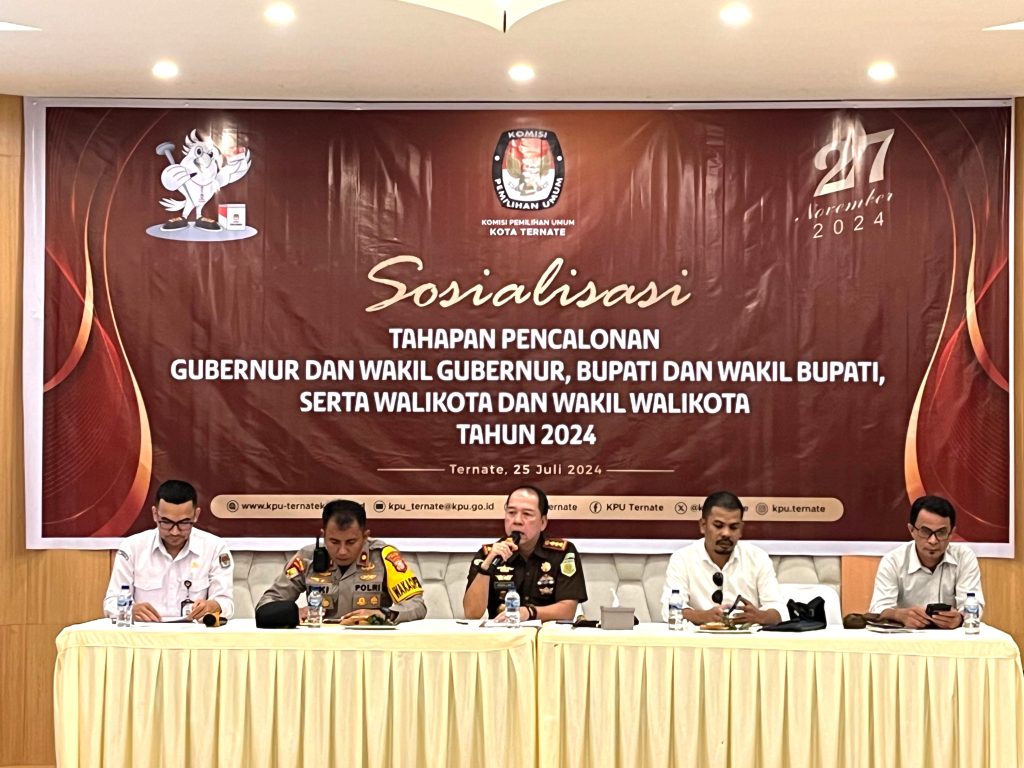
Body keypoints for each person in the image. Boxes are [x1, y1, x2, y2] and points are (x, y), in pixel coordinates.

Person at [257, 499, 427, 623]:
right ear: (324, 535)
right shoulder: (307, 558)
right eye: (334, 542)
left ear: (365, 536)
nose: (342, 551)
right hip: (320, 645)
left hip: (370, 644)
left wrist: (385, 614)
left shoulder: (384, 557)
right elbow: (267, 603)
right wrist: (294, 614)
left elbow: (417, 605)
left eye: (351, 542)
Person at [103, 479, 234, 622]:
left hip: (194, 632)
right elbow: (111, 602)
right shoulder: (132, 547)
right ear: (155, 514)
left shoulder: (214, 548)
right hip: (145, 632)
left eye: (184, 523)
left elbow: (226, 603)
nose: (174, 532)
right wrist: (130, 610)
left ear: (196, 515)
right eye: (166, 522)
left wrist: (214, 606)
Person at [463, 485, 587, 621]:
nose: (517, 521)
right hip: (503, 632)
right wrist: (486, 567)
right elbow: (472, 613)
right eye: (511, 513)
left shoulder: (563, 553)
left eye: (527, 514)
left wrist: (529, 613)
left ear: (543, 522)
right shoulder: (488, 555)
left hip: (546, 632)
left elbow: (567, 610)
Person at [660, 491, 783, 626]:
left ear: (741, 529)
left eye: (733, 527)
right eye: (718, 526)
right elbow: (669, 610)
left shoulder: (758, 557)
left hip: (747, 636)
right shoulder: (682, 558)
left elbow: (779, 610)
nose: (726, 533)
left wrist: (760, 617)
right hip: (699, 636)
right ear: (703, 525)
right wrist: (703, 616)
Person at [869, 495, 984, 629]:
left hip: (951, 639)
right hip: (907, 637)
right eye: (925, 532)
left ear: (951, 533)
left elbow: (973, 605)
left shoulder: (964, 557)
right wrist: (899, 615)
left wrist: (960, 618)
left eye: (941, 533)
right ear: (912, 530)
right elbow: (877, 610)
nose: (933, 541)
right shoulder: (893, 561)